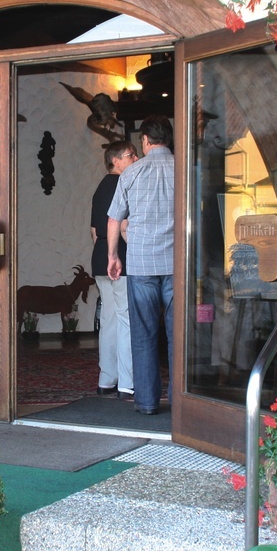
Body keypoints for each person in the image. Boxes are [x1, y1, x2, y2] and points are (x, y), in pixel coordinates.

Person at [107, 116, 175, 415]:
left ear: (145, 141)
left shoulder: (131, 172)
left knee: (143, 333)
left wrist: (113, 255)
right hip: (177, 264)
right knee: (177, 334)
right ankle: (181, 402)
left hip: (142, 263)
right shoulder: (185, 169)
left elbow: (114, 219)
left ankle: (147, 402)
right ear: (168, 139)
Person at [90, 140, 137, 397]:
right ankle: (127, 383)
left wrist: (104, 254)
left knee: (108, 319)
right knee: (125, 318)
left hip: (100, 257)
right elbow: (123, 225)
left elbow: (94, 230)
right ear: (115, 161)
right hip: (121, 257)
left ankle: (106, 379)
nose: (136, 159)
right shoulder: (124, 184)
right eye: (131, 155)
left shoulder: (100, 187)